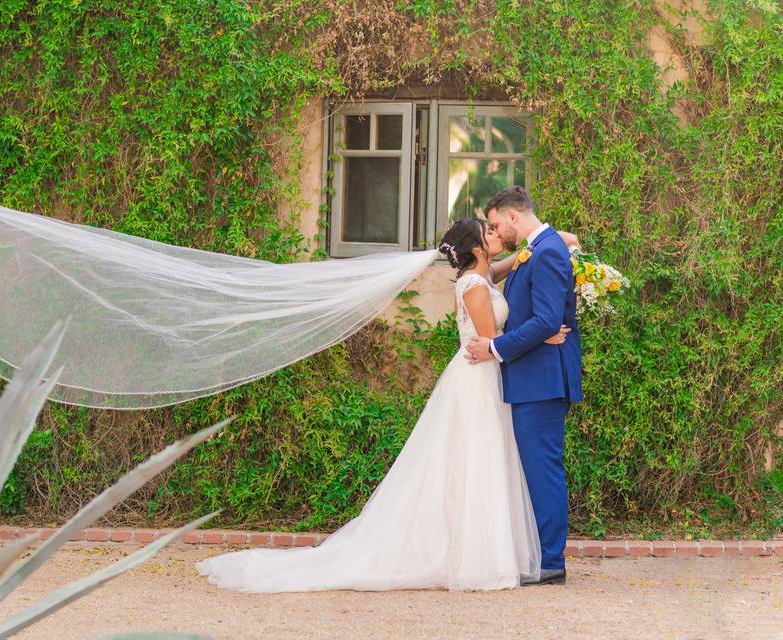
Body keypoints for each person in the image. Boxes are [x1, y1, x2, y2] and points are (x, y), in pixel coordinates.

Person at [197, 214, 577, 592]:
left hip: (482, 377)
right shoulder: (476, 284)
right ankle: (475, 555)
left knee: (478, 462)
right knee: (477, 460)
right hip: (479, 379)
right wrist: (543, 335)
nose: (496, 234)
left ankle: (486, 549)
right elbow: (493, 340)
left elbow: (515, 263)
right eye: (489, 232)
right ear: (477, 248)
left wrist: (547, 238)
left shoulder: (483, 275)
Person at [465, 185, 583, 586]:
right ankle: (541, 555)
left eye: (497, 223)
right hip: (534, 376)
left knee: (543, 470)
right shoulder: (540, 248)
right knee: (535, 469)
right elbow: (537, 316)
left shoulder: (547, 251)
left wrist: (496, 346)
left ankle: (551, 561)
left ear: (513, 217)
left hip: (543, 381)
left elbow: (549, 319)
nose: (497, 231)